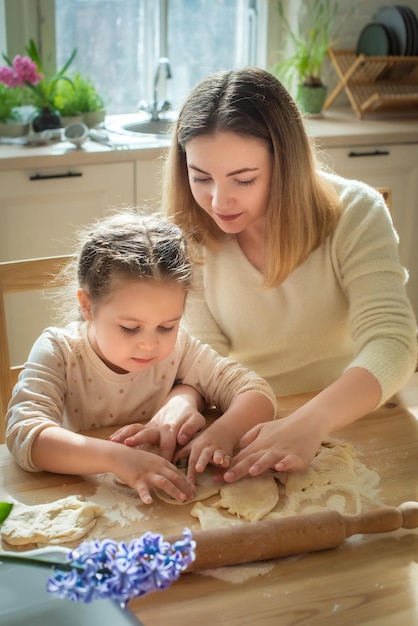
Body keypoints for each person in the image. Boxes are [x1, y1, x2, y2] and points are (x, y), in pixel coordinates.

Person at [162, 67, 417, 481]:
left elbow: (393, 342)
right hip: (240, 421)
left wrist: (312, 420)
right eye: (201, 177)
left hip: (350, 418)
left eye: (243, 179)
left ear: (286, 164)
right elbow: (204, 357)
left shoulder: (355, 212)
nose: (218, 200)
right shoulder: (189, 233)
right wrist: (186, 401)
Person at [5, 210, 277, 503]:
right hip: (87, 497)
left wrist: (223, 433)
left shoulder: (180, 348)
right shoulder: (60, 351)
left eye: (166, 326)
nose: (149, 345)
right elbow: (25, 436)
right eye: (130, 328)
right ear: (87, 305)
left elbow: (256, 392)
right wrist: (117, 458)